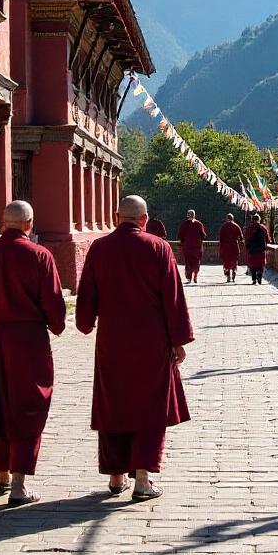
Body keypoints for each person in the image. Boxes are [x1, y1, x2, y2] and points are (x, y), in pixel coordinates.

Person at [76, 195, 193, 501]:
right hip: (152, 341)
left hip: (112, 341)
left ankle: (116, 478)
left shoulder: (99, 248)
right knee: (150, 407)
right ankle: (142, 479)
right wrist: (178, 340)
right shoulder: (158, 247)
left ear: (117, 217)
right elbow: (173, 297)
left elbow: (86, 294)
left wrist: (85, 323)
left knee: (113, 404)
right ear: (144, 219)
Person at [0, 200, 65, 505]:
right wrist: (55, 325)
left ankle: (1, 472)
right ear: (29, 224)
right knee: (28, 404)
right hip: (28, 340)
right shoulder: (40, 256)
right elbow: (53, 305)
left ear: (3, 223)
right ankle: (19, 485)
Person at [177, 209, 207, 284]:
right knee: (196, 262)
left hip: (187, 247)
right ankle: (195, 276)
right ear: (194, 215)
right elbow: (203, 235)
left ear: (187, 215)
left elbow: (180, 235)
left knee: (188, 262)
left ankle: (189, 278)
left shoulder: (184, 224)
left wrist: (183, 241)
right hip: (197, 247)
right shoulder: (199, 224)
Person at [245, 212, 271, 285]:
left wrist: (247, 246)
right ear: (259, 220)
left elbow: (246, 238)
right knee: (260, 263)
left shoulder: (249, 228)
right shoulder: (263, 228)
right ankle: (259, 275)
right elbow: (267, 239)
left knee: (252, 264)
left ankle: (253, 279)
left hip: (252, 249)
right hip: (261, 249)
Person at [218, 213, 243, 283]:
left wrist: (221, 246)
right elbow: (241, 237)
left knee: (226, 261)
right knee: (234, 259)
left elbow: (220, 237)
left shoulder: (223, 226)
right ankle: (234, 270)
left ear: (227, 218)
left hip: (226, 246)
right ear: (233, 218)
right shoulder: (236, 226)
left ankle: (228, 275)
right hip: (234, 245)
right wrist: (240, 240)